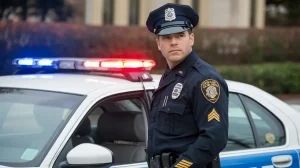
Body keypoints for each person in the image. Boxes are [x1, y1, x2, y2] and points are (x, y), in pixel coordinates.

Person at [145, 3, 229, 168]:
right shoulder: (170, 77)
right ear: (158, 43)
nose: (174, 42)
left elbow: (214, 137)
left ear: (191, 39)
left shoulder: (205, 80)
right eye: (167, 38)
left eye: (180, 36)